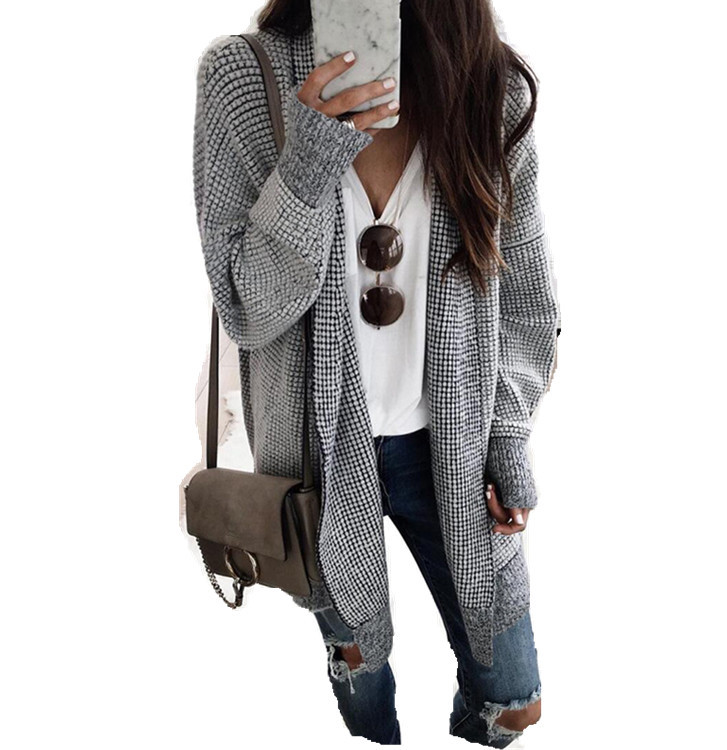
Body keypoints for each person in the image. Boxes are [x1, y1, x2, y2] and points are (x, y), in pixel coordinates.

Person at [192, 0, 560, 745]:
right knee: (362, 677)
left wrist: (508, 436)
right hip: (318, 462)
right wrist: (307, 162)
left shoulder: (487, 88)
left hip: (453, 451)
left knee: (513, 698)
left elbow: (526, 299)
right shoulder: (242, 76)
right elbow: (247, 311)